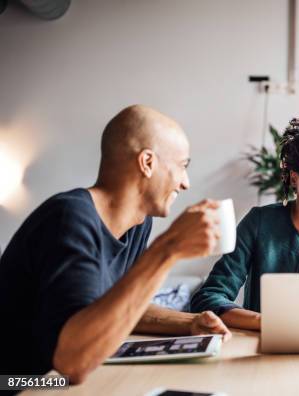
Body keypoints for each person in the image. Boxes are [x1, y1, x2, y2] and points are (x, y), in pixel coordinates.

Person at [0, 105, 231, 384]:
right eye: (182, 166)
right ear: (147, 163)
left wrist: (190, 323)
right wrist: (167, 248)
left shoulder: (138, 222)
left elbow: (118, 305)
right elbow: (72, 363)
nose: (185, 183)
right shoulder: (70, 218)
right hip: (19, 384)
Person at [190, 112, 299, 330]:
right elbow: (208, 297)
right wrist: (266, 322)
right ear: (294, 178)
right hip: (270, 349)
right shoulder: (259, 223)